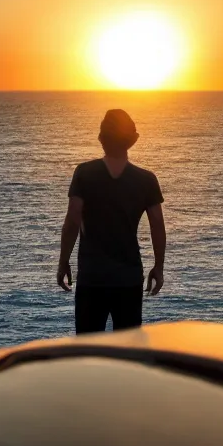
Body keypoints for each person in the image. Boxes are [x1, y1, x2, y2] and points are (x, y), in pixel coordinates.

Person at [57, 109, 166, 334]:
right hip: (128, 279)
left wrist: (63, 261)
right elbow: (157, 224)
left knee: (87, 353)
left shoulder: (84, 173)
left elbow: (73, 219)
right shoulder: (146, 180)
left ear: (102, 139)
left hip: (92, 278)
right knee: (128, 355)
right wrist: (159, 266)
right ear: (130, 141)